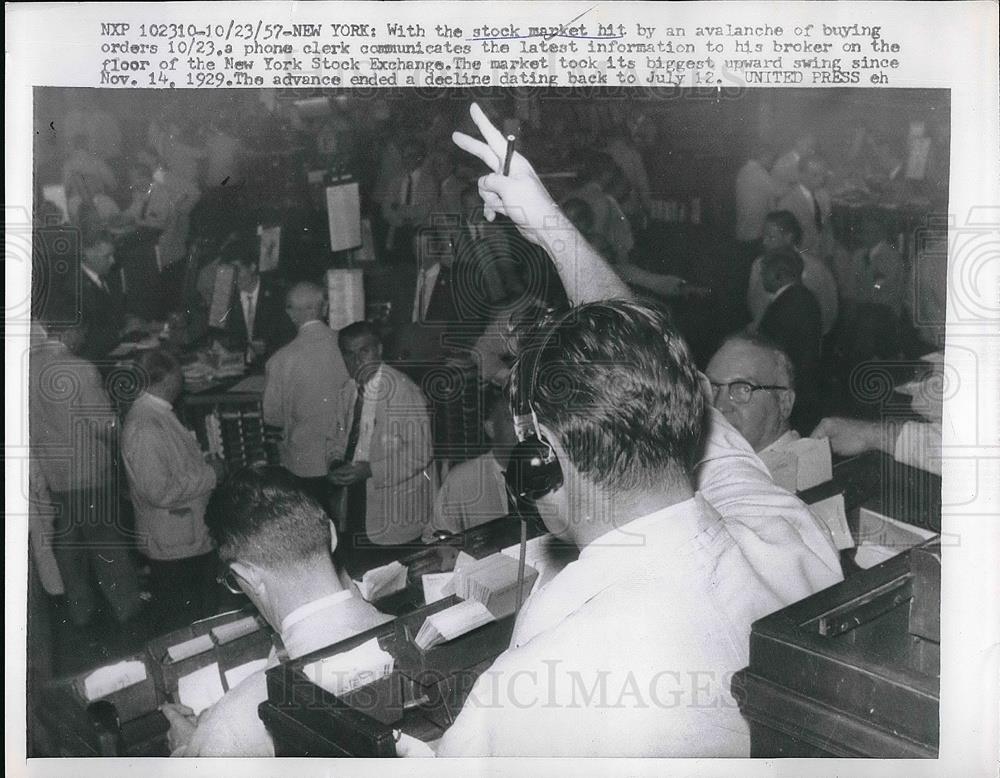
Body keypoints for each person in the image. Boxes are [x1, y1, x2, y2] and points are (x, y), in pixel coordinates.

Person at [421, 103, 843, 757]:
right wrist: (552, 227)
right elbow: (649, 356)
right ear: (684, 411)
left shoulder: (533, 681)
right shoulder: (791, 540)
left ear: (544, 461)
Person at [161, 465, 393, 757]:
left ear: (247, 575)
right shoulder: (412, 631)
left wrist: (187, 749)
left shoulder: (230, 728)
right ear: (332, 535)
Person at [28, 320, 143, 626]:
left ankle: (81, 613)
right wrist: (123, 429)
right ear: (65, 333)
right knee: (107, 544)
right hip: (89, 471)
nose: (85, 336)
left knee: (69, 546)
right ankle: (127, 610)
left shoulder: (25, 369)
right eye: (82, 330)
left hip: (53, 473)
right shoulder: (79, 368)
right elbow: (103, 425)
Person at [122, 349, 225, 624]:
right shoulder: (146, 425)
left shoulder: (156, 414)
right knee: (185, 620)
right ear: (167, 380)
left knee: (195, 614)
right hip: (174, 543)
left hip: (183, 537)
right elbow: (158, 491)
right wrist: (211, 475)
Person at [328, 321, 435, 550]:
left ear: (379, 350)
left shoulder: (403, 391)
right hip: (356, 496)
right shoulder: (348, 390)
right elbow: (336, 434)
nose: (356, 361)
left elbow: (421, 452)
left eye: (364, 352)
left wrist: (370, 470)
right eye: (349, 354)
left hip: (395, 506)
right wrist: (335, 462)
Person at [263, 282, 349, 505]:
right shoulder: (348, 346)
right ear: (326, 307)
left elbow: (272, 416)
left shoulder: (280, 359)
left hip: (305, 464)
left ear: (291, 313)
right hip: (349, 459)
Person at [429, 387, 517, 537]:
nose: (522, 427)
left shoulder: (546, 469)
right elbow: (435, 538)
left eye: (524, 418)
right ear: (491, 428)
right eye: (511, 419)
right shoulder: (462, 480)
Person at [754, 246, 823, 431]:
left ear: (780, 274)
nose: (760, 278)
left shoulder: (790, 303)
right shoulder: (800, 297)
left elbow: (776, 350)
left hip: (794, 391)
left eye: (764, 272)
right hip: (801, 389)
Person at [747, 210, 839, 337]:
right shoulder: (758, 265)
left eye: (771, 237)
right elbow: (753, 302)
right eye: (764, 236)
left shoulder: (816, 269)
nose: (764, 242)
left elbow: (829, 309)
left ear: (789, 238)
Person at [705, 332, 798, 454]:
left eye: (743, 389)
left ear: (784, 403)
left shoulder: (801, 470)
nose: (719, 406)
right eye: (713, 388)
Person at [776, 155, 832, 254]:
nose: (821, 179)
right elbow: (783, 241)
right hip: (800, 257)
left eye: (823, 175)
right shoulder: (787, 203)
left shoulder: (823, 195)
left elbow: (826, 227)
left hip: (821, 254)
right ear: (800, 175)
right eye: (815, 175)